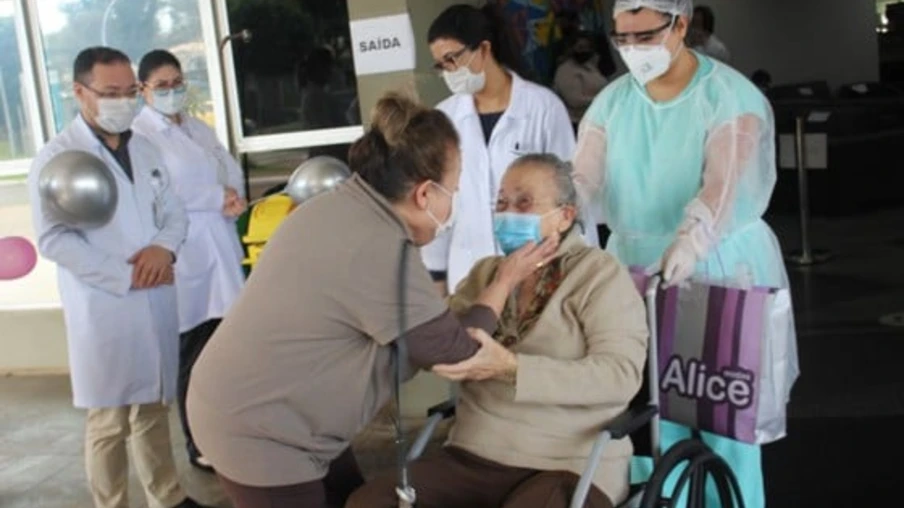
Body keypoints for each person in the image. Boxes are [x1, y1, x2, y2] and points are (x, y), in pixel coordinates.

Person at [185, 92, 559, 508]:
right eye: (453, 190)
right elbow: (456, 352)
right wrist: (504, 282)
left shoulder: (336, 206)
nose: (456, 203)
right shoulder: (379, 247)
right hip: (262, 430)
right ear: (424, 194)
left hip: (265, 406)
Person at [573, 1, 799, 507]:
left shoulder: (727, 96)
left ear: (679, 24)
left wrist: (692, 239)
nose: (632, 49)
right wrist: (555, 213)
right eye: (621, 38)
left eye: (644, 35)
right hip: (633, 268)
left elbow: (724, 187)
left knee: (723, 421)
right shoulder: (612, 102)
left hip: (715, 265)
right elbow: (582, 177)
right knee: (652, 422)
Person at [347, 154, 649, 508]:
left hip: (569, 462)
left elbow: (621, 376)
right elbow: (439, 345)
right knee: (370, 503)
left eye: (524, 203)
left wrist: (512, 368)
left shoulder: (599, 275)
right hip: (474, 454)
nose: (508, 214)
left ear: (565, 216)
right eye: (502, 203)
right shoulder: (485, 275)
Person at [26, 46, 207, 508]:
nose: (124, 102)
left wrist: (162, 249)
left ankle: (166, 496)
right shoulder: (58, 156)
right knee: (108, 420)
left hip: (156, 292)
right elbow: (53, 239)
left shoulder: (144, 146)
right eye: (111, 93)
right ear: (80, 92)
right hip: (105, 301)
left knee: (152, 407)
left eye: (130, 92)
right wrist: (127, 275)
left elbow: (174, 214)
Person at [422, 4, 599, 296]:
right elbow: (437, 205)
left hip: (536, 270)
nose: (448, 72)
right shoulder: (443, 119)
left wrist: (583, 269)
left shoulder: (542, 108)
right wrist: (436, 278)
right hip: (468, 275)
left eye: (452, 59)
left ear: (483, 49)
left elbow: (571, 193)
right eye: (441, 65)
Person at [132, 49, 247, 473]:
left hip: (219, 243)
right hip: (186, 254)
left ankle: (228, 432)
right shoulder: (140, 136)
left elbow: (227, 167)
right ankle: (197, 441)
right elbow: (164, 193)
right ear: (142, 90)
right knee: (193, 353)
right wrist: (218, 198)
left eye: (177, 82)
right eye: (161, 85)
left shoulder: (198, 127)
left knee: (226, 348)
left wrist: (231, 192)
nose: (172, 91)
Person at [554, 32, 609, 132]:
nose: (585, 51)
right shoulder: (565, 70)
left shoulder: (589, 66)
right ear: (571, 48)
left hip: (597, 120)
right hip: (578, 124)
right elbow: (575, 101)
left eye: (588, 47)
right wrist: (603, 99)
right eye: (580, 47)